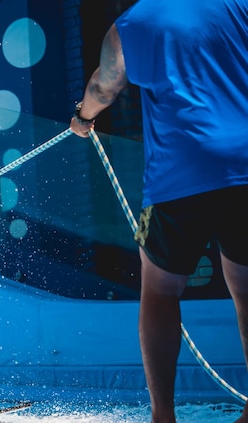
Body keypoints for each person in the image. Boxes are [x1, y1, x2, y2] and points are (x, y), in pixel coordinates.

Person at [69, 1, 248, 422]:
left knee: (161, 292)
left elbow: (104, 88)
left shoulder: (135, 23)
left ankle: (163, 416)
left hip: (180, 174)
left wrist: (83, 118)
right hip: (244, 165)